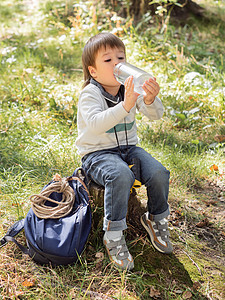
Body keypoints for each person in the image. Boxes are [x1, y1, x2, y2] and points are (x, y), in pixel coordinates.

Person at [75, 32, 173, 271]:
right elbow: (97, 124)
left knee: (159, 172)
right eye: (108, 60)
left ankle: (155, 218)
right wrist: (125, 105)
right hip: (97, 154)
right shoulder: (91, 93)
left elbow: (156, 115)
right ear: (94, 71)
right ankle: (114, 233)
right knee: (120, 175)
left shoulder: (129, 87)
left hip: (128, 149)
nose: (117, 64)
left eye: (121, 57)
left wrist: (149, 99)